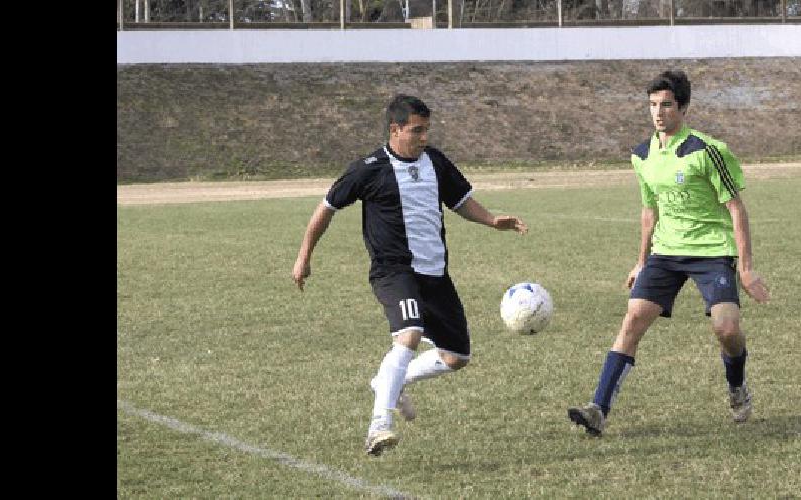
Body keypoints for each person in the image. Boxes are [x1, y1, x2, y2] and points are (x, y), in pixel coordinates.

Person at [292, 94, 528, 456]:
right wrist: (304, 256)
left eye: (426, 130)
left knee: (455, 356)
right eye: (416, 131)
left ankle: (390, 381)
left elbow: (460, 199)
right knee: (409, 333)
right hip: (394, 270)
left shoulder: (434, 161)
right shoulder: (368, 168)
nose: (423, 138)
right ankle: (379, 425)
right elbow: (326, 208)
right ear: (395, 129)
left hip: (435, 273)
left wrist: (492, 220)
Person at [567, 70, 771, 436]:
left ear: (683, 107)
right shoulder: (642, 155)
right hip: (666, 252)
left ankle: (737, 386)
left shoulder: (708, 151)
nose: (658, 113)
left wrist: (747, 269)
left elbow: (736, 208)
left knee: (727, 329)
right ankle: (598, 409)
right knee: (632, 319)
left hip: (711, 252)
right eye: (652, 105)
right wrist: (641, 260)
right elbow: (650, 211)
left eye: (666, 105)